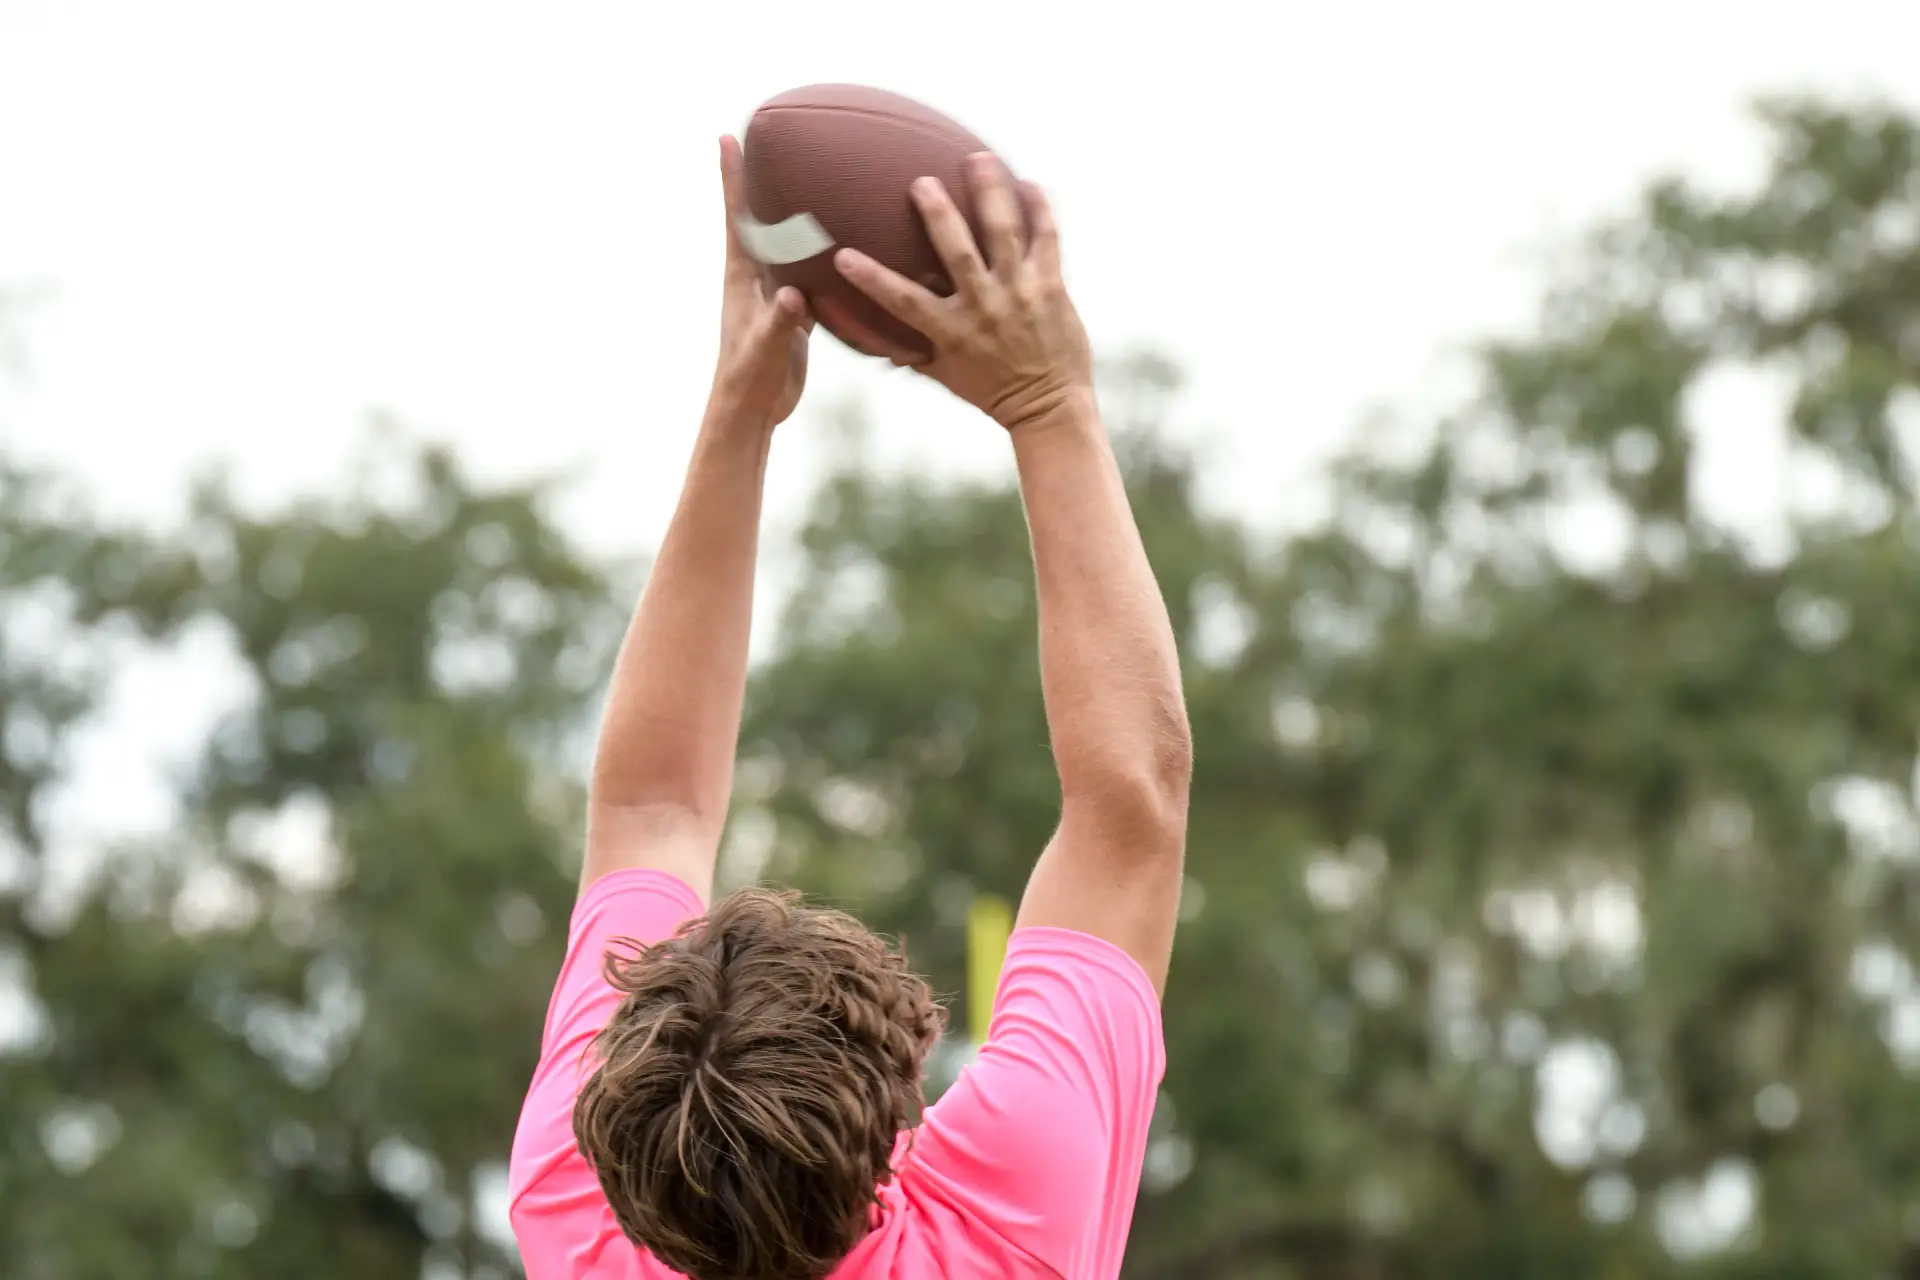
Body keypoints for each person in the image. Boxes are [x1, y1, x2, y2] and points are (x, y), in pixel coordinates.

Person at [507, 136, 1192, 1280]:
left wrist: (740, 416)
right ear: (898, 1123)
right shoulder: (1000, 1218)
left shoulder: (582, 1216)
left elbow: (651, 802)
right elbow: (1132, 794)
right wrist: (1044, 395)